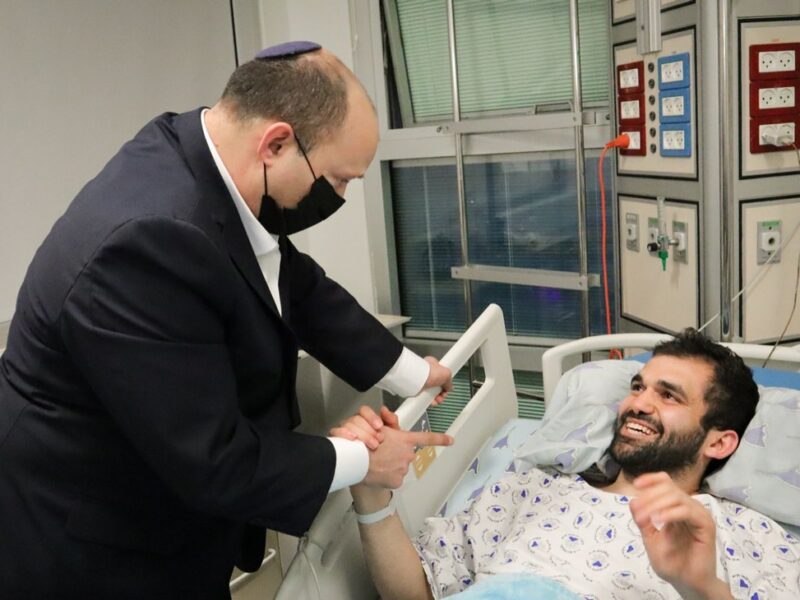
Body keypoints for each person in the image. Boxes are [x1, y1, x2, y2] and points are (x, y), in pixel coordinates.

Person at [0, 42, 453, 598]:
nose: (339, 196)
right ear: (276, 143)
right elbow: (215, 460)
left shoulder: (201, 153)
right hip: (93, 535)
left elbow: (290, 280)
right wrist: (366, 461)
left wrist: (410, 371)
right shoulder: (146, 245)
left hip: (164, 492)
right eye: (338, 180)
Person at [342, 329, 800, 599]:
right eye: (638, 387)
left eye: (668, 395)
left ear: (720, 442)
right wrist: (370, 491)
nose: (638, 403)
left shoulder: (739, 532)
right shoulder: (532, 490)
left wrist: (702, 588)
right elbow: (418, 591)